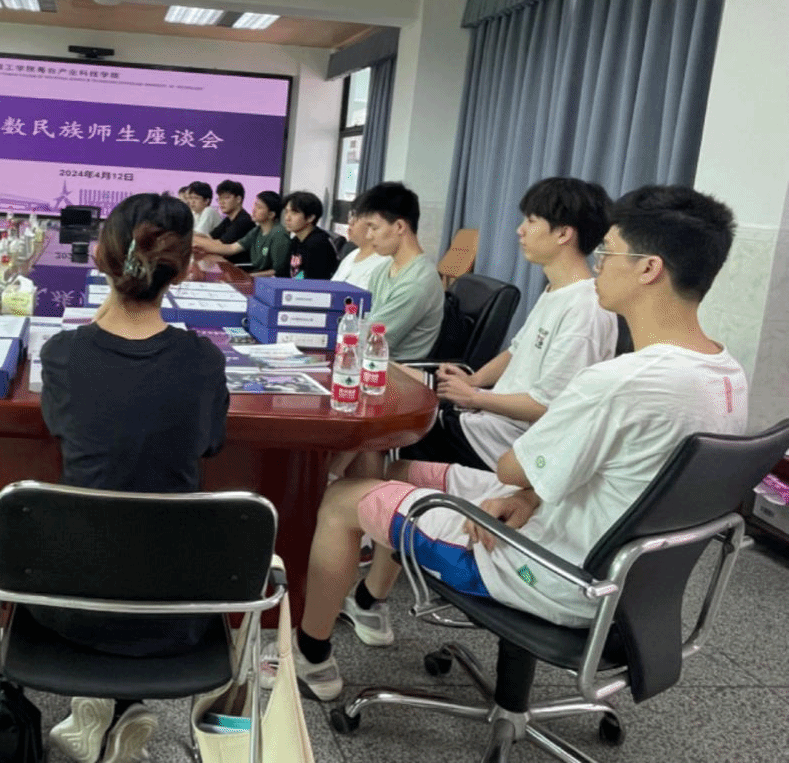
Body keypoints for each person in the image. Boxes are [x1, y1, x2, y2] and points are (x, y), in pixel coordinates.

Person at [264, 185, 747, 702]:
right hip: (613, 570)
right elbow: (623, 477)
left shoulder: (619, 381)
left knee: (342, 498)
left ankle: (310, 659)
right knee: (387, 474)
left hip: (550, 571)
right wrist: (530, 495)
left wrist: (508, 456)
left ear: (649, 269)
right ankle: (364, 601)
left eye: (608, 253)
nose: (600, 265)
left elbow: (513, 467)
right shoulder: (726, 375)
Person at [37, 192, 231, 763]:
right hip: (177, 611)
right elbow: (210, 444)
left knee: (104, 534)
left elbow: (62, 428)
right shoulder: (203, 360)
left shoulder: (65, 354)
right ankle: (116, 705)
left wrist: (109, 302)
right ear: (186, 268)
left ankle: (100, 704)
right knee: (145, 540)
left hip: (71, 605)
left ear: (101, 258)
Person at [404, 177, 618, 473]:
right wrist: (474, 381)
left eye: (531, 221)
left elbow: (547, 406)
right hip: (486, 419)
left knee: (390, 430)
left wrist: (475, 397)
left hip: (504, 445)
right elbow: (515, 351)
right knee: (396, 389)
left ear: (563, 233)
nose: (520, 230)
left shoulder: (585, 309)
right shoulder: (555, 291)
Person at [360, 182, 445, 359]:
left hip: (392, 369)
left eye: (374, 228)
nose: (368, 236)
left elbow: (371, 340)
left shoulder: (417, 283)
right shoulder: (382, 270)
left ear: (399, 226)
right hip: (369, 360)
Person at [194, 190, 291, 276]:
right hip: (255, 276)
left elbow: (277, 272)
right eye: (255, 205)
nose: (253, 210)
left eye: (259, 207)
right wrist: (198, 244)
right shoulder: (257, 230)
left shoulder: (279, 235)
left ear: (271, 214)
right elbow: (231, 248)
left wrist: (249, 276)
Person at [276, 191, 339, 281]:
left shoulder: (319, 244)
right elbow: (283, 274)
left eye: (294, 213)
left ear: (310, 217)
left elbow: (314, 282)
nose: (287, 218)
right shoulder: (296, 241)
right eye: (286, 212)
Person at [330, 193, 390, 288]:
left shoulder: (385, 264)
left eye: (357, 216)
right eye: (351, 215)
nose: (350, 222)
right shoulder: (352, 255)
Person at [207, 179, 255, 244]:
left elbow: (221, 245)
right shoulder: (228, 219)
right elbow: (210, 237)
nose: (221, 202)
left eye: (226, 198)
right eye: (219, 198)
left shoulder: (244, 221)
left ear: (238, 199)